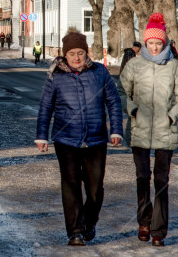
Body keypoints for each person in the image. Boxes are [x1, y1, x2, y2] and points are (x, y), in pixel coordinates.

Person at [36, 32, 123, 247]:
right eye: (72, 54)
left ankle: (89, 222)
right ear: (64, 55)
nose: (77, 58)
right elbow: (46, 106)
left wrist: (116, 130)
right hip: (66, 140)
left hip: (96, 139)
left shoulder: (99, 72)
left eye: (81, 53)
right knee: (71, 185)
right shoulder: (55, 75)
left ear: (87, 52)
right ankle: (75, 232)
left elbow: (113, 101)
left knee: (95, 187)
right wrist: (41, 135)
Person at [118, 13, 178, 247]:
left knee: (161, 180)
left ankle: (158, 230)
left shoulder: (173, 66)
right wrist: (133, 109)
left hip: (165, 131)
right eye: (151, 43)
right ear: (145, 43)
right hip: (139, 129)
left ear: (164, 42)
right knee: (142, 177)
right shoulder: (134, 65)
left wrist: (172, 116)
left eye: (159, 43)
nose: (155, 47)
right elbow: (120, 92)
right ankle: (144, 221)